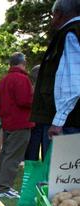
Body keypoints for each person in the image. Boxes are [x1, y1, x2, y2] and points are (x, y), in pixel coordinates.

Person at [31, 0, 80, 137]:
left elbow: (73, 80)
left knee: (62, 158)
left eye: (52, 15)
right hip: (71, 119)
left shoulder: (70, 33)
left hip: (70, 121)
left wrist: (59, 121)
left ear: (59, 14)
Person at [0, 53, 35, 198]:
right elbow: (25, 101)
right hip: (21, 122)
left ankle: (0, 186)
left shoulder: (3, 80)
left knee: (6, 154)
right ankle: (4, 188)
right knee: (13, 156)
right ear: (23, 63)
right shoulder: (22, 79)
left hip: (7, 122)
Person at [25, 65, 51, 161]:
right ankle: (45, 170)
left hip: (35, 120)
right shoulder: (48, 87)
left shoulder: (30, 88)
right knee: (46, 148)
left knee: (33, 148)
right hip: (45, 120)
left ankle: (31, 170)